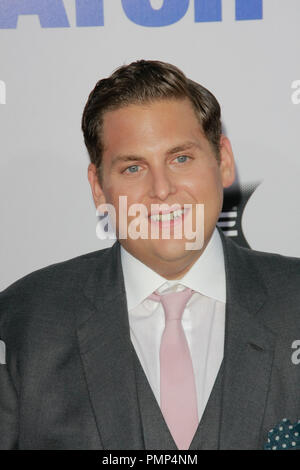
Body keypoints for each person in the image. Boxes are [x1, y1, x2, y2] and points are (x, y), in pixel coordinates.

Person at [0, 60, 300, 450]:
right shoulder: (24, 320)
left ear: (223, 160)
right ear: (98, 186)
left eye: (180, 159)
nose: (161, 190)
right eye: (133, 167)